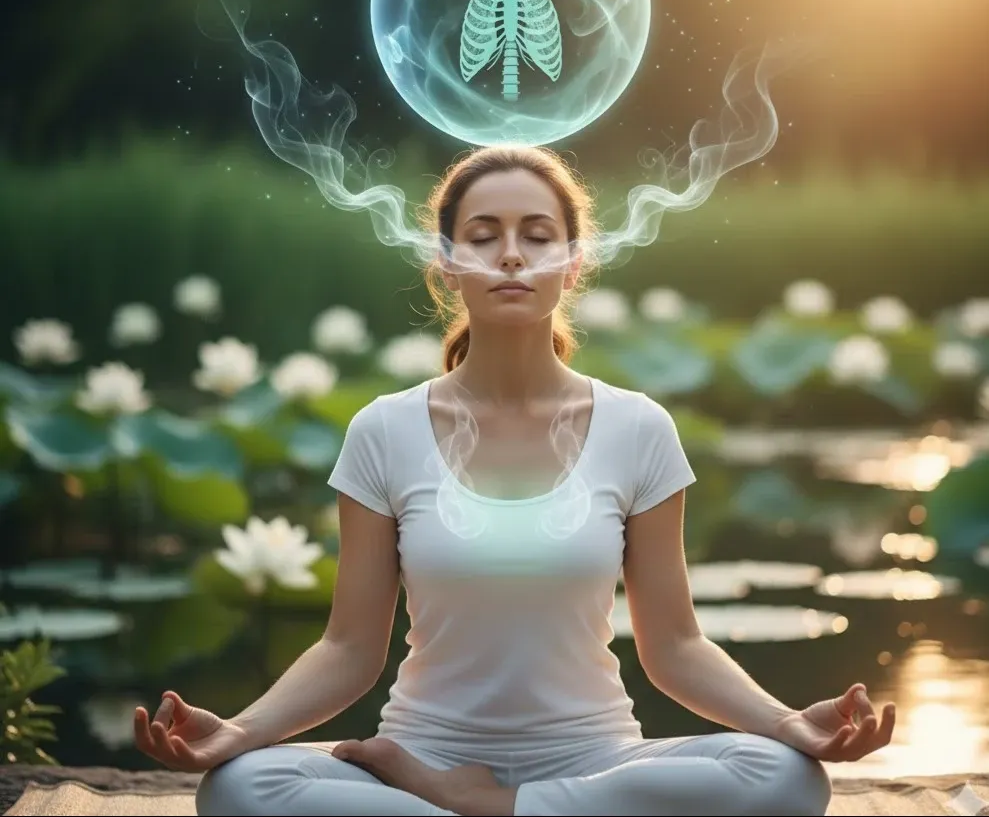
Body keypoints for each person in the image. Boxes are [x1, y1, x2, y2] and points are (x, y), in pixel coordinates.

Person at [134, 145, 895, 816]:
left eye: (536, 235)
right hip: (420, 756)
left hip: (595, 757)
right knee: (239, 788)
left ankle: (485, 809)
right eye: (482, 235)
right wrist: (239, 731)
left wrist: (784, 721)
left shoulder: (638, 427)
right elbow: (348, 648)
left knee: (784, 777)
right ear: (445, 263)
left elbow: (674, 645)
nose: (509, 256)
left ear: (572, 262)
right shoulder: (383, 429)